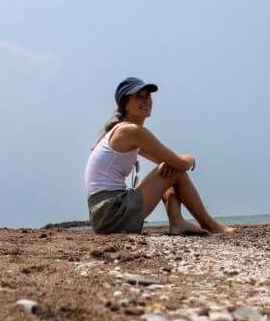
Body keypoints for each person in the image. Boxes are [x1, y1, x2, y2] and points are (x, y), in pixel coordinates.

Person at [83, 77, 236, 235]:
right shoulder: (130, 131)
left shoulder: (122, 132)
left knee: (167, 168)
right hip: (112, 212)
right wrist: (190, 158)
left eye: (147, 96)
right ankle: (209, 224)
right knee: (174, 168)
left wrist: (171, 164)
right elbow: (180, 164)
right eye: (138, 96)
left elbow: (168, 163)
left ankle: (177, 222)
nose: (146, 100)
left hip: (103, 215)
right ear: (124, 105)